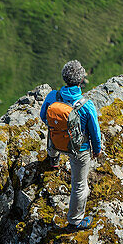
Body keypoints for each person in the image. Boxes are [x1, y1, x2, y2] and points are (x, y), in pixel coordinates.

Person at [40, 60, 102, 230]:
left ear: (64, 78)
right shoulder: (87, 106)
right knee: (80, 185)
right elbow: (95, 133)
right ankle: (75, 220)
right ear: (81, 81)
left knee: (53, 131)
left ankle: (53, 159)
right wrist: (96, 150)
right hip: (78, 150)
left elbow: (43, 117)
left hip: (57, 142)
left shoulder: (53, 96)